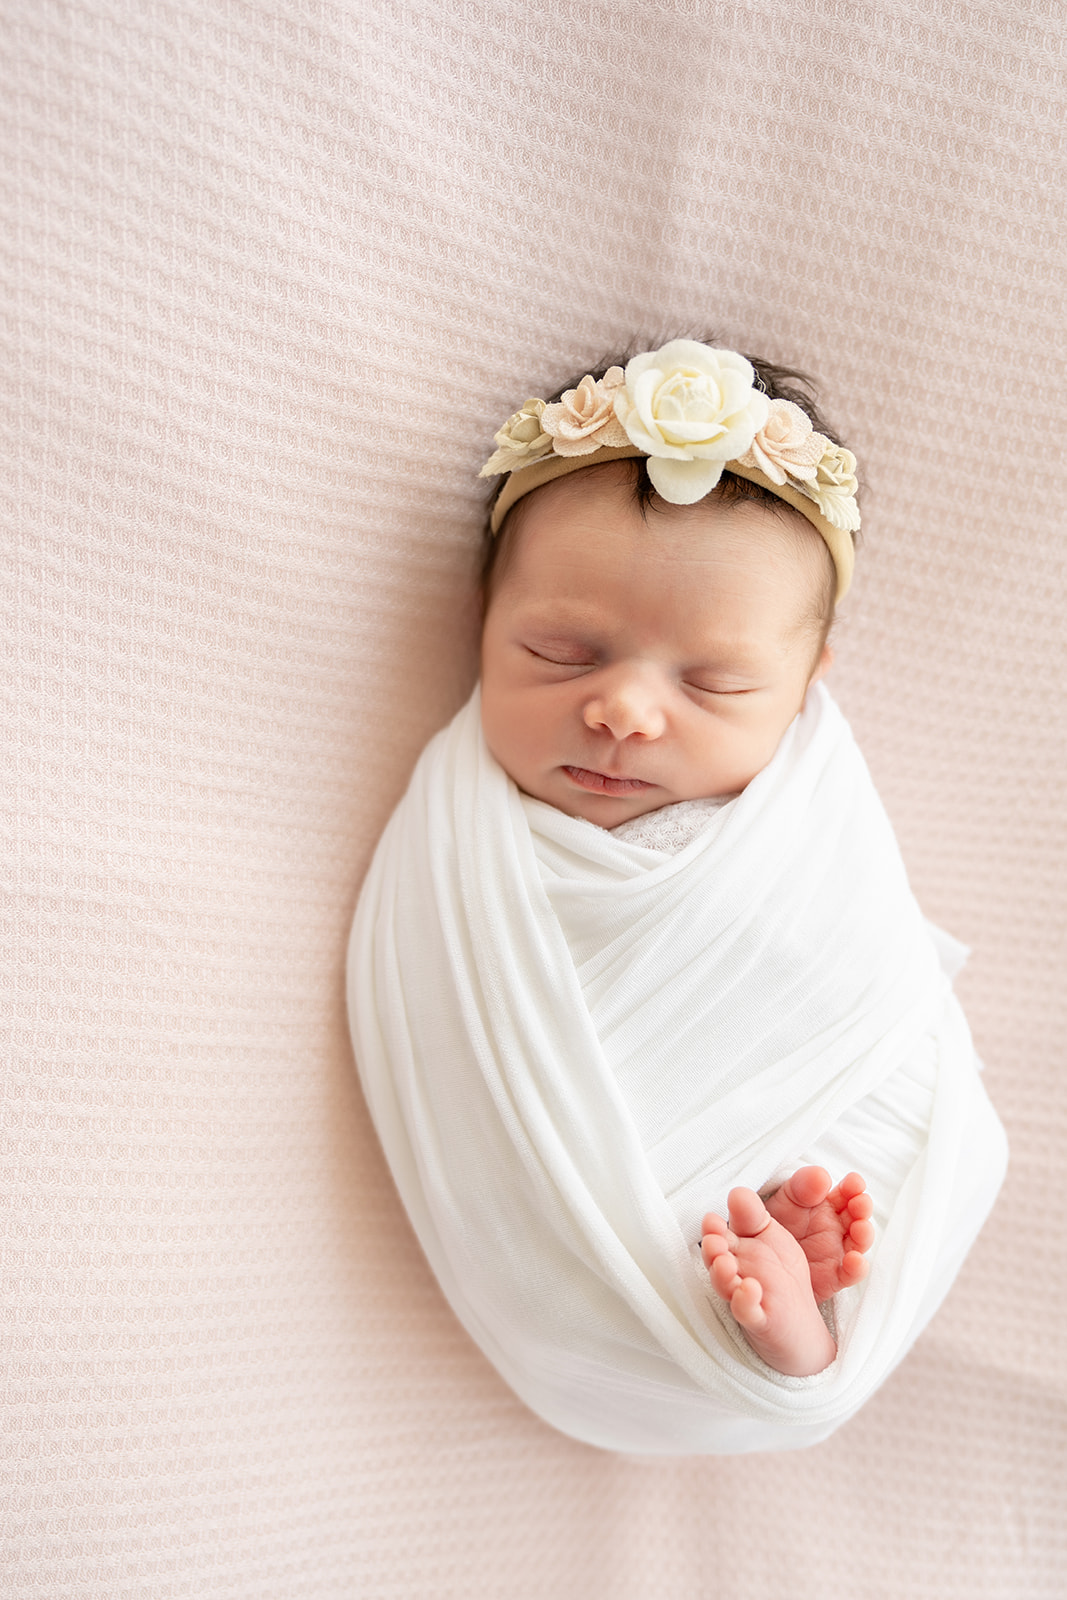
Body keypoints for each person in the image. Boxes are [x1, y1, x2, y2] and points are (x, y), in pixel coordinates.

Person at [348, 340, 1007, 1453]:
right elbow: (435, 1029)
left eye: (714, 683)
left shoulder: (794, 829)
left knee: (852, 1176)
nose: (624, 713)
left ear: (804, 692)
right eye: (559, 652)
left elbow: (858, 970)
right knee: (749, 1219)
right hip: (570, 1232)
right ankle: (765, 1302)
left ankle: (795, 1318)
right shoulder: (459, 845)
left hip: (814, 1099)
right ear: (478, 619)